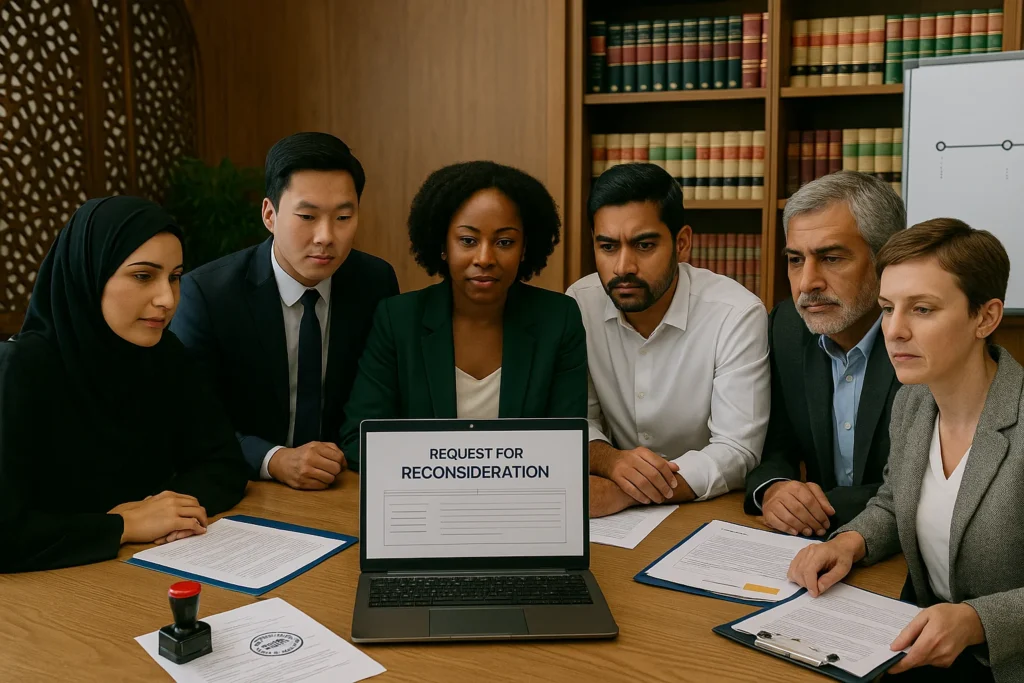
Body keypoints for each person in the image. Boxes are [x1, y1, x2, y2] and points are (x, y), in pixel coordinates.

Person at [788, 219, 1019, 682]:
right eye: (888, 308)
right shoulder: (913, 402)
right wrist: (850, 543)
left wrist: (978, 620)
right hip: (921, 652)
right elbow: (896, 502)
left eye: (922, 309)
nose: (894, 331)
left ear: (985, 318)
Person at [0, 197, 249, 573]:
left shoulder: (163, 354)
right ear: (91, 274)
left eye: (174, 277)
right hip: (49, 593)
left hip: (143, 568)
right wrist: (125, 525)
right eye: (143, 276)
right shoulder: (20, 369)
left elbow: (225, 464)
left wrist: (167, 511)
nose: (167, 299)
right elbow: (7, 533)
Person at [171, 132, 399, 490]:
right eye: (307, 216)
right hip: (249, 487)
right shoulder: (209, 295)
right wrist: (274, 459)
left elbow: (379, 400)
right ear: (269, 214)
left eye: (343, 217)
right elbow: (190, 418)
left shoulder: (374, 282)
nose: (326, 236)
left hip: (343, 484)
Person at [338, 161, 586, 466]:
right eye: (468, 241)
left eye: (505, 242)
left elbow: (567, 444)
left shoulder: (558, 319)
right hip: (424, 491)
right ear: (443, 244)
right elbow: (360, 438)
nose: (484, 258)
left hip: (522, 493)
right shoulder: (398, 319)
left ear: (524, 248)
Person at [566, 163, 770, 518]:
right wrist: (610, 460)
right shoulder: (579, 304)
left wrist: (626, 491)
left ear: (682, 243)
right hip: (613, 518)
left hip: (709, 509)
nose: (623, 267)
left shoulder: (736, 313)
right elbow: (577, 421)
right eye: (608, 246)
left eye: (644, 245)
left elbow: (737, 450)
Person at [745, 171, 904, 536]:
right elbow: (776, 443)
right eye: (795, 260)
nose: (807, 283)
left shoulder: (924, 341)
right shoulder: (787, 326)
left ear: (886, 260)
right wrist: (775, 489)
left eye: (831, 258)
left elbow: (925, 482)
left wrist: (817, 509)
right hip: (808, 543)